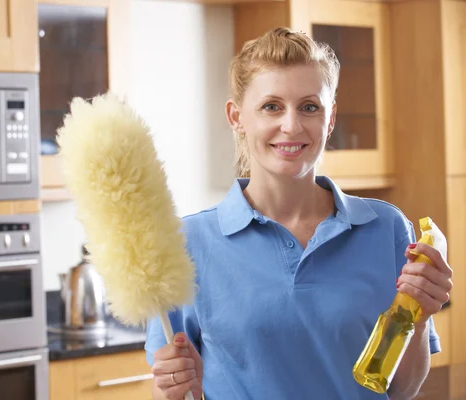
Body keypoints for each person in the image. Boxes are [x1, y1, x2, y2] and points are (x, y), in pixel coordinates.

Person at [144, 27, 453, 400]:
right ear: (236, 116)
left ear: (331, 117)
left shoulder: (387, 230)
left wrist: (419, 319)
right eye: (271, 106)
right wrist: (175, 388)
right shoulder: (185, 245)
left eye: (309, 107)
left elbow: (400, 390)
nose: (291, 125)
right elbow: (173, 389)